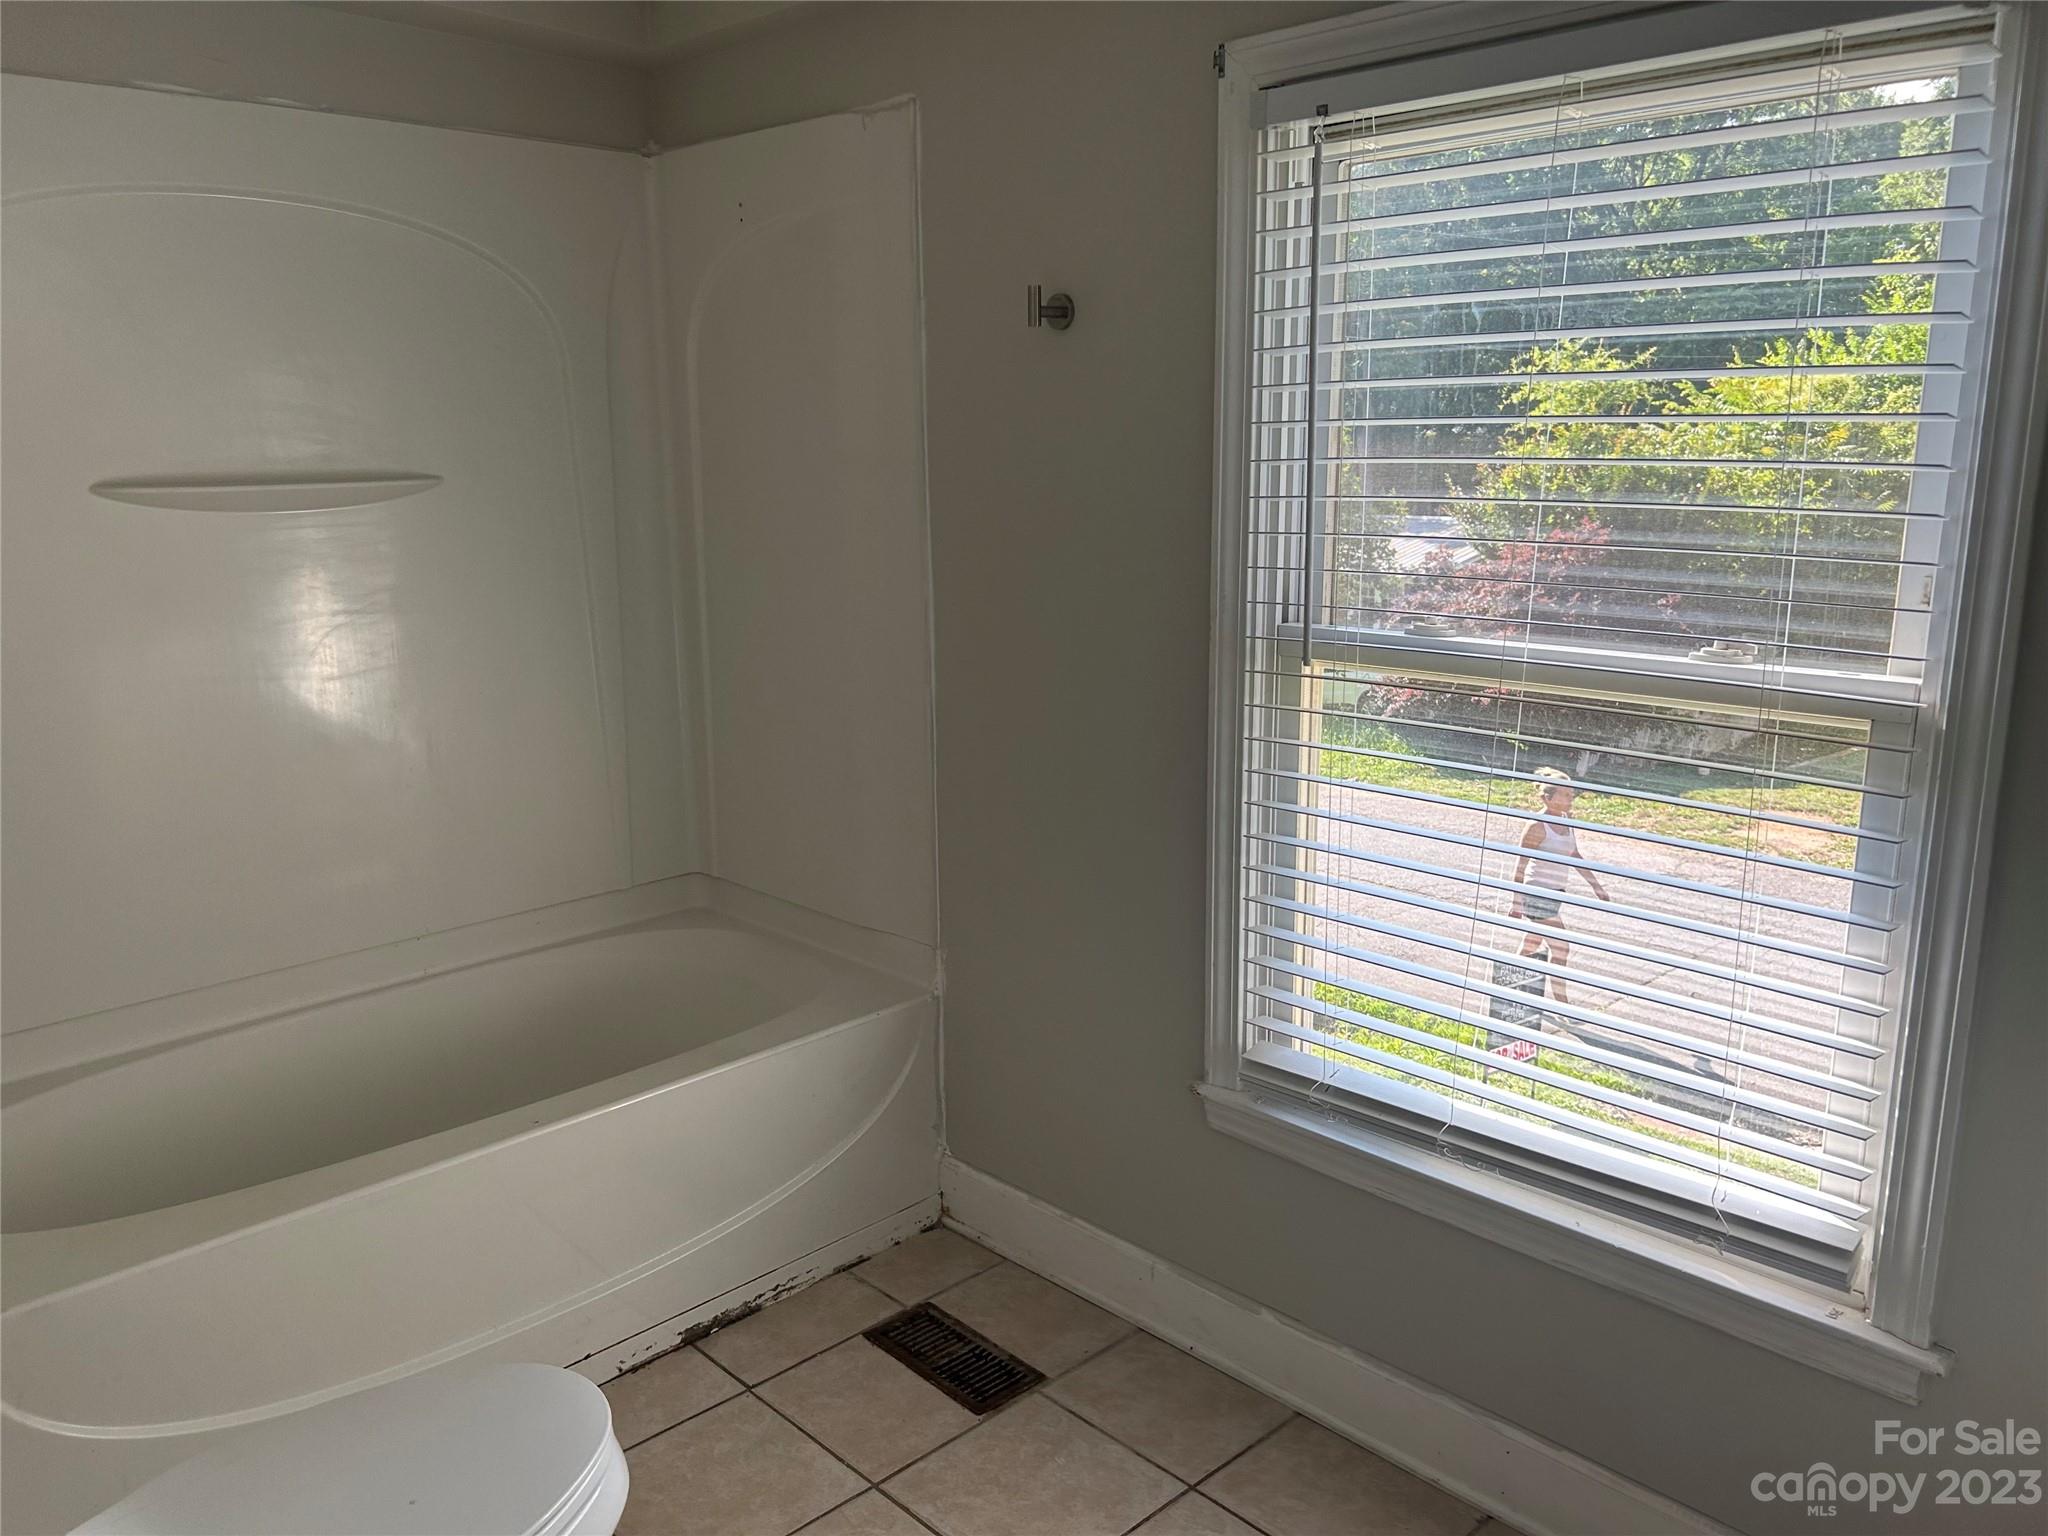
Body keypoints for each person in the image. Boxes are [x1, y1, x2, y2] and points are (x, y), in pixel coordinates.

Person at [1510, 767, 1610, 1005]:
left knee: (1532, 944)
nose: (1570, 798)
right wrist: (1516, 901)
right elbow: (1520, 865)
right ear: (1547, 797)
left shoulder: (1568, 821)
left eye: (1571, 794)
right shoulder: (1536, 826)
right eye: (1564, 794)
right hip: (1537, 893)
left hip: (1556, 894)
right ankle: (1561, 1005)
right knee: (1561, 948)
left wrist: (1596, 886)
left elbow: (1573, 854)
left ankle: (1506, 982)